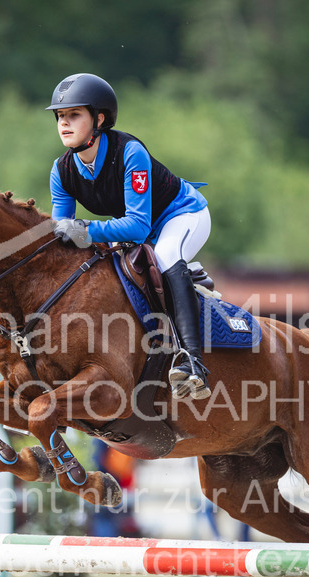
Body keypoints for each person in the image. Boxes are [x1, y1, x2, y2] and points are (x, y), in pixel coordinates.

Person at [46, 73, 212, 400]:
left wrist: (85, 230)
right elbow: (61, 233)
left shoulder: (129, 152)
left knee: (165, 255)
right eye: (60, 116)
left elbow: (137, 227)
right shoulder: (61, 171)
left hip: (181, 215)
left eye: (74, 115)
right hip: (137, 228)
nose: (64, 123)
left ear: (99, 119)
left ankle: (193, 361)